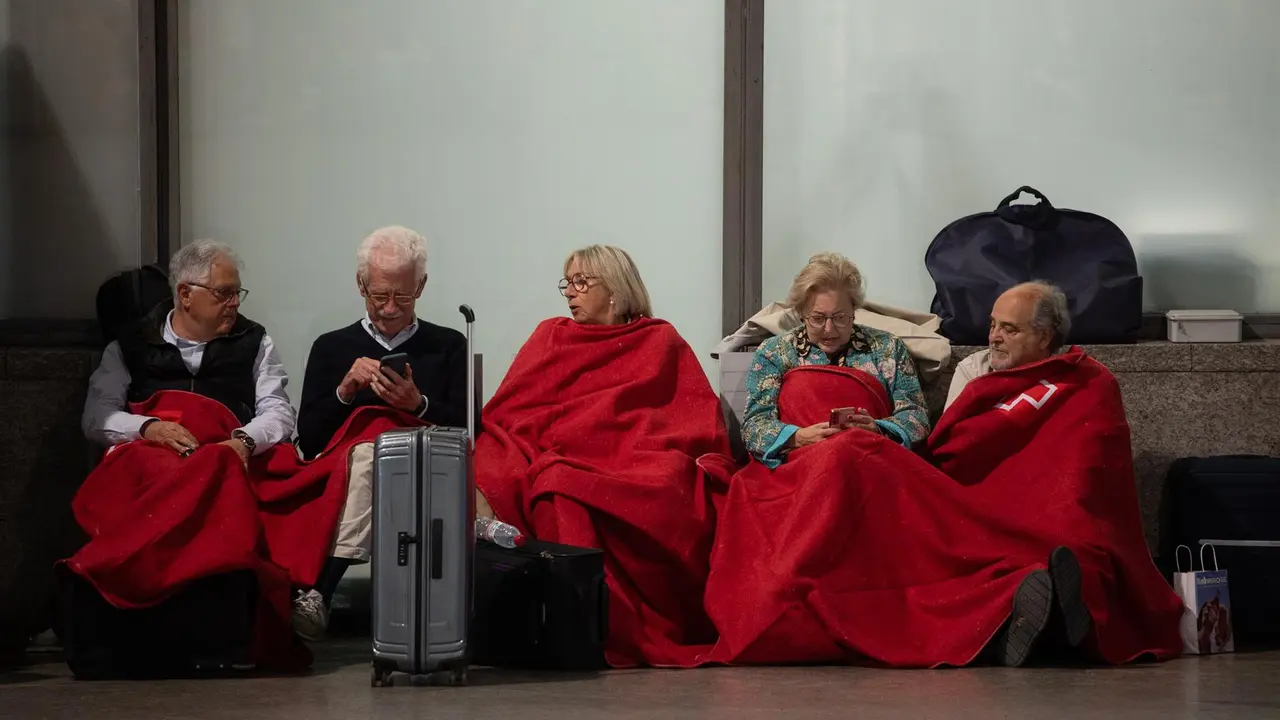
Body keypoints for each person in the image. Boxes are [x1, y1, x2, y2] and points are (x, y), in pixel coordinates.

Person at [472, 244, 737, 668]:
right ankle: (569, 624)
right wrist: (553, 440)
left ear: (614, 288)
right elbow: (510, 412)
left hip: (633, 455)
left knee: (659, 478)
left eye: (580, 282)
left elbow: (693, 422)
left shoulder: (660, 339)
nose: (569, 293)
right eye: (567, 283)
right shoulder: (551, 335)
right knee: (553, 481)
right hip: (560, 453)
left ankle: (593, 626)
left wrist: (632, 444)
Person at [70, 240, 312, 670]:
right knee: (151, 471)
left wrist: (242, 441)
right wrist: (147, 427)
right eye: (224, 293)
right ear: (185, 294)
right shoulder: (128, 347)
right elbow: (98, 416)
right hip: (150, 458)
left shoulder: (254, 341)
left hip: (226, 456)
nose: (234, 303)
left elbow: (278, 412)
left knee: (222, 467)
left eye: (238, 292)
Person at [293, 225, 472, 640]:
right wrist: (344, 391)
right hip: (347, 463)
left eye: (402, 297)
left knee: (380, 449)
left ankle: (321, 588)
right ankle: (320, 590)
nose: (390, 308)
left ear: (421, 287)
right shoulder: (331, 346)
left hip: (428, 464)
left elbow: (470, 428)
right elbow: (310, 439)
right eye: (379, 296)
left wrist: (418, 405)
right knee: (370, 453)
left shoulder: (449, 345)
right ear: (360, 285)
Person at [944, 280, 1069, 410]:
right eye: (992, 325)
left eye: (1009, 329)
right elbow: (953, 429)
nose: (993, 337)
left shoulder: (1074, 380)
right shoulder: (974, 370)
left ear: (1044, 338)